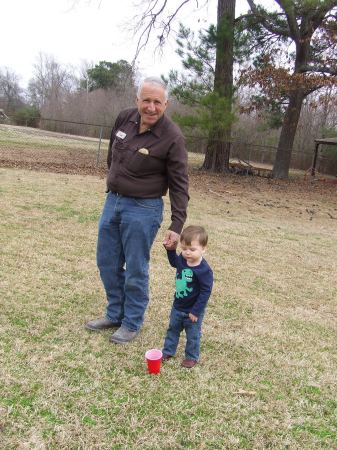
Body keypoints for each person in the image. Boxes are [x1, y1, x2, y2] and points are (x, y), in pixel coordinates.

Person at [85, 76, 189, 344]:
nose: (151, 107)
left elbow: (179, 184)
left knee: (135, 267)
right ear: (137, 101)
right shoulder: (124, 118)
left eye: (157, 102)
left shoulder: (172, 137)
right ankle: (115, 313)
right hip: (114, 201)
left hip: (144, 208)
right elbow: (112, 153)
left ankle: (131, 322)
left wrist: (177, 225)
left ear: (166, 104)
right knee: (107, 261)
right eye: (146, 100)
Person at [162, 225, 213, 368]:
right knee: (172, 330)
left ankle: (191, 357)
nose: (187, 253)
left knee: (193, 335)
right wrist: (171, 250)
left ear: (203, 248)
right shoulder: (183, 260)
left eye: (192, 249)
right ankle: (168, 351)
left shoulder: (204, 270)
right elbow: (174, 263)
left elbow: (205, 292)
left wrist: (195, 311)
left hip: (193, 310)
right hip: (178, 306)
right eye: (184, 249)